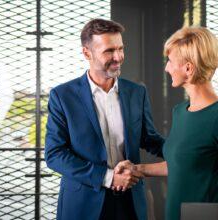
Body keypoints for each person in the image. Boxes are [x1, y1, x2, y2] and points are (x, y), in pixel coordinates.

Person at [115, 26, 218, 220]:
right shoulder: (180, 112)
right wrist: (137, 169)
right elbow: (181, 165)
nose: (166, 67)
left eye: (170, 61)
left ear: (188, 69)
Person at [44, 18, 164, 220]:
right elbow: (55, 154)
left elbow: (149, 139)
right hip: (83, 204)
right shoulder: (62, 96)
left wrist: (184, 150)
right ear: (86, 53)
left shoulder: (137, 92)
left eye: (121, 49)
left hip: (130, 203)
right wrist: (108, 177)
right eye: (109, 51)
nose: (118, 57)